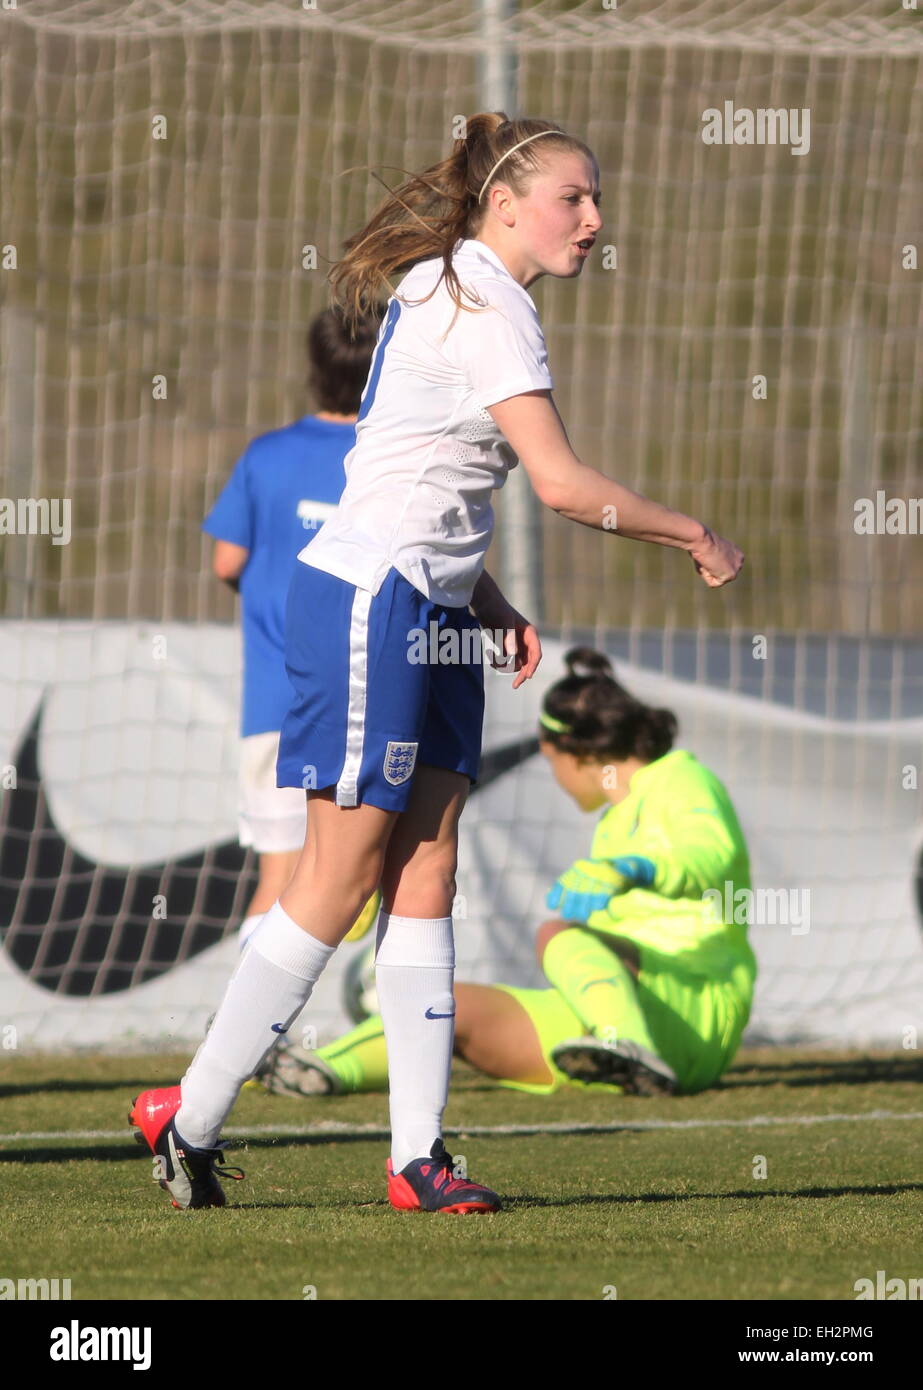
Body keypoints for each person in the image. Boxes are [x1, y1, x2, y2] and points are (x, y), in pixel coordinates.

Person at [129, 112, 744, 1216]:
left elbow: (420, 462)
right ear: (504, 203)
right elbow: (555, 484)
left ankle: (416, 1159)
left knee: (428, 868)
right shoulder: (485, 303)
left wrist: (486, 597)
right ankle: (194, 1114)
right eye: (574, 198)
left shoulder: (453, 279)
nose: (595, 220)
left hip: (437, 601)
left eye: (597, 199)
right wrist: (690, 531)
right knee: (339, 874)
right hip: (372, 598)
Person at [259, 647, 756, 1102]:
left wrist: (636, 868)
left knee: (555, 933)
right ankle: (317, 1070)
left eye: (551, 761)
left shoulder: (681, 778)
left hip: (695, 1010)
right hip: (622, 1011)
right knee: (447, 1008)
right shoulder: (616, 816)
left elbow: (710, 856)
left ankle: (630, 1046)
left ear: (576, 752)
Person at [201, 308, 382, 951]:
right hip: (370, 705)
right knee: (394, 873)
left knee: (279, 875)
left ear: (313, 369)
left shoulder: (267, 455)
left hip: (277, 705)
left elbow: (228, 561)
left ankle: (245, 1040)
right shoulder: (387, 461)